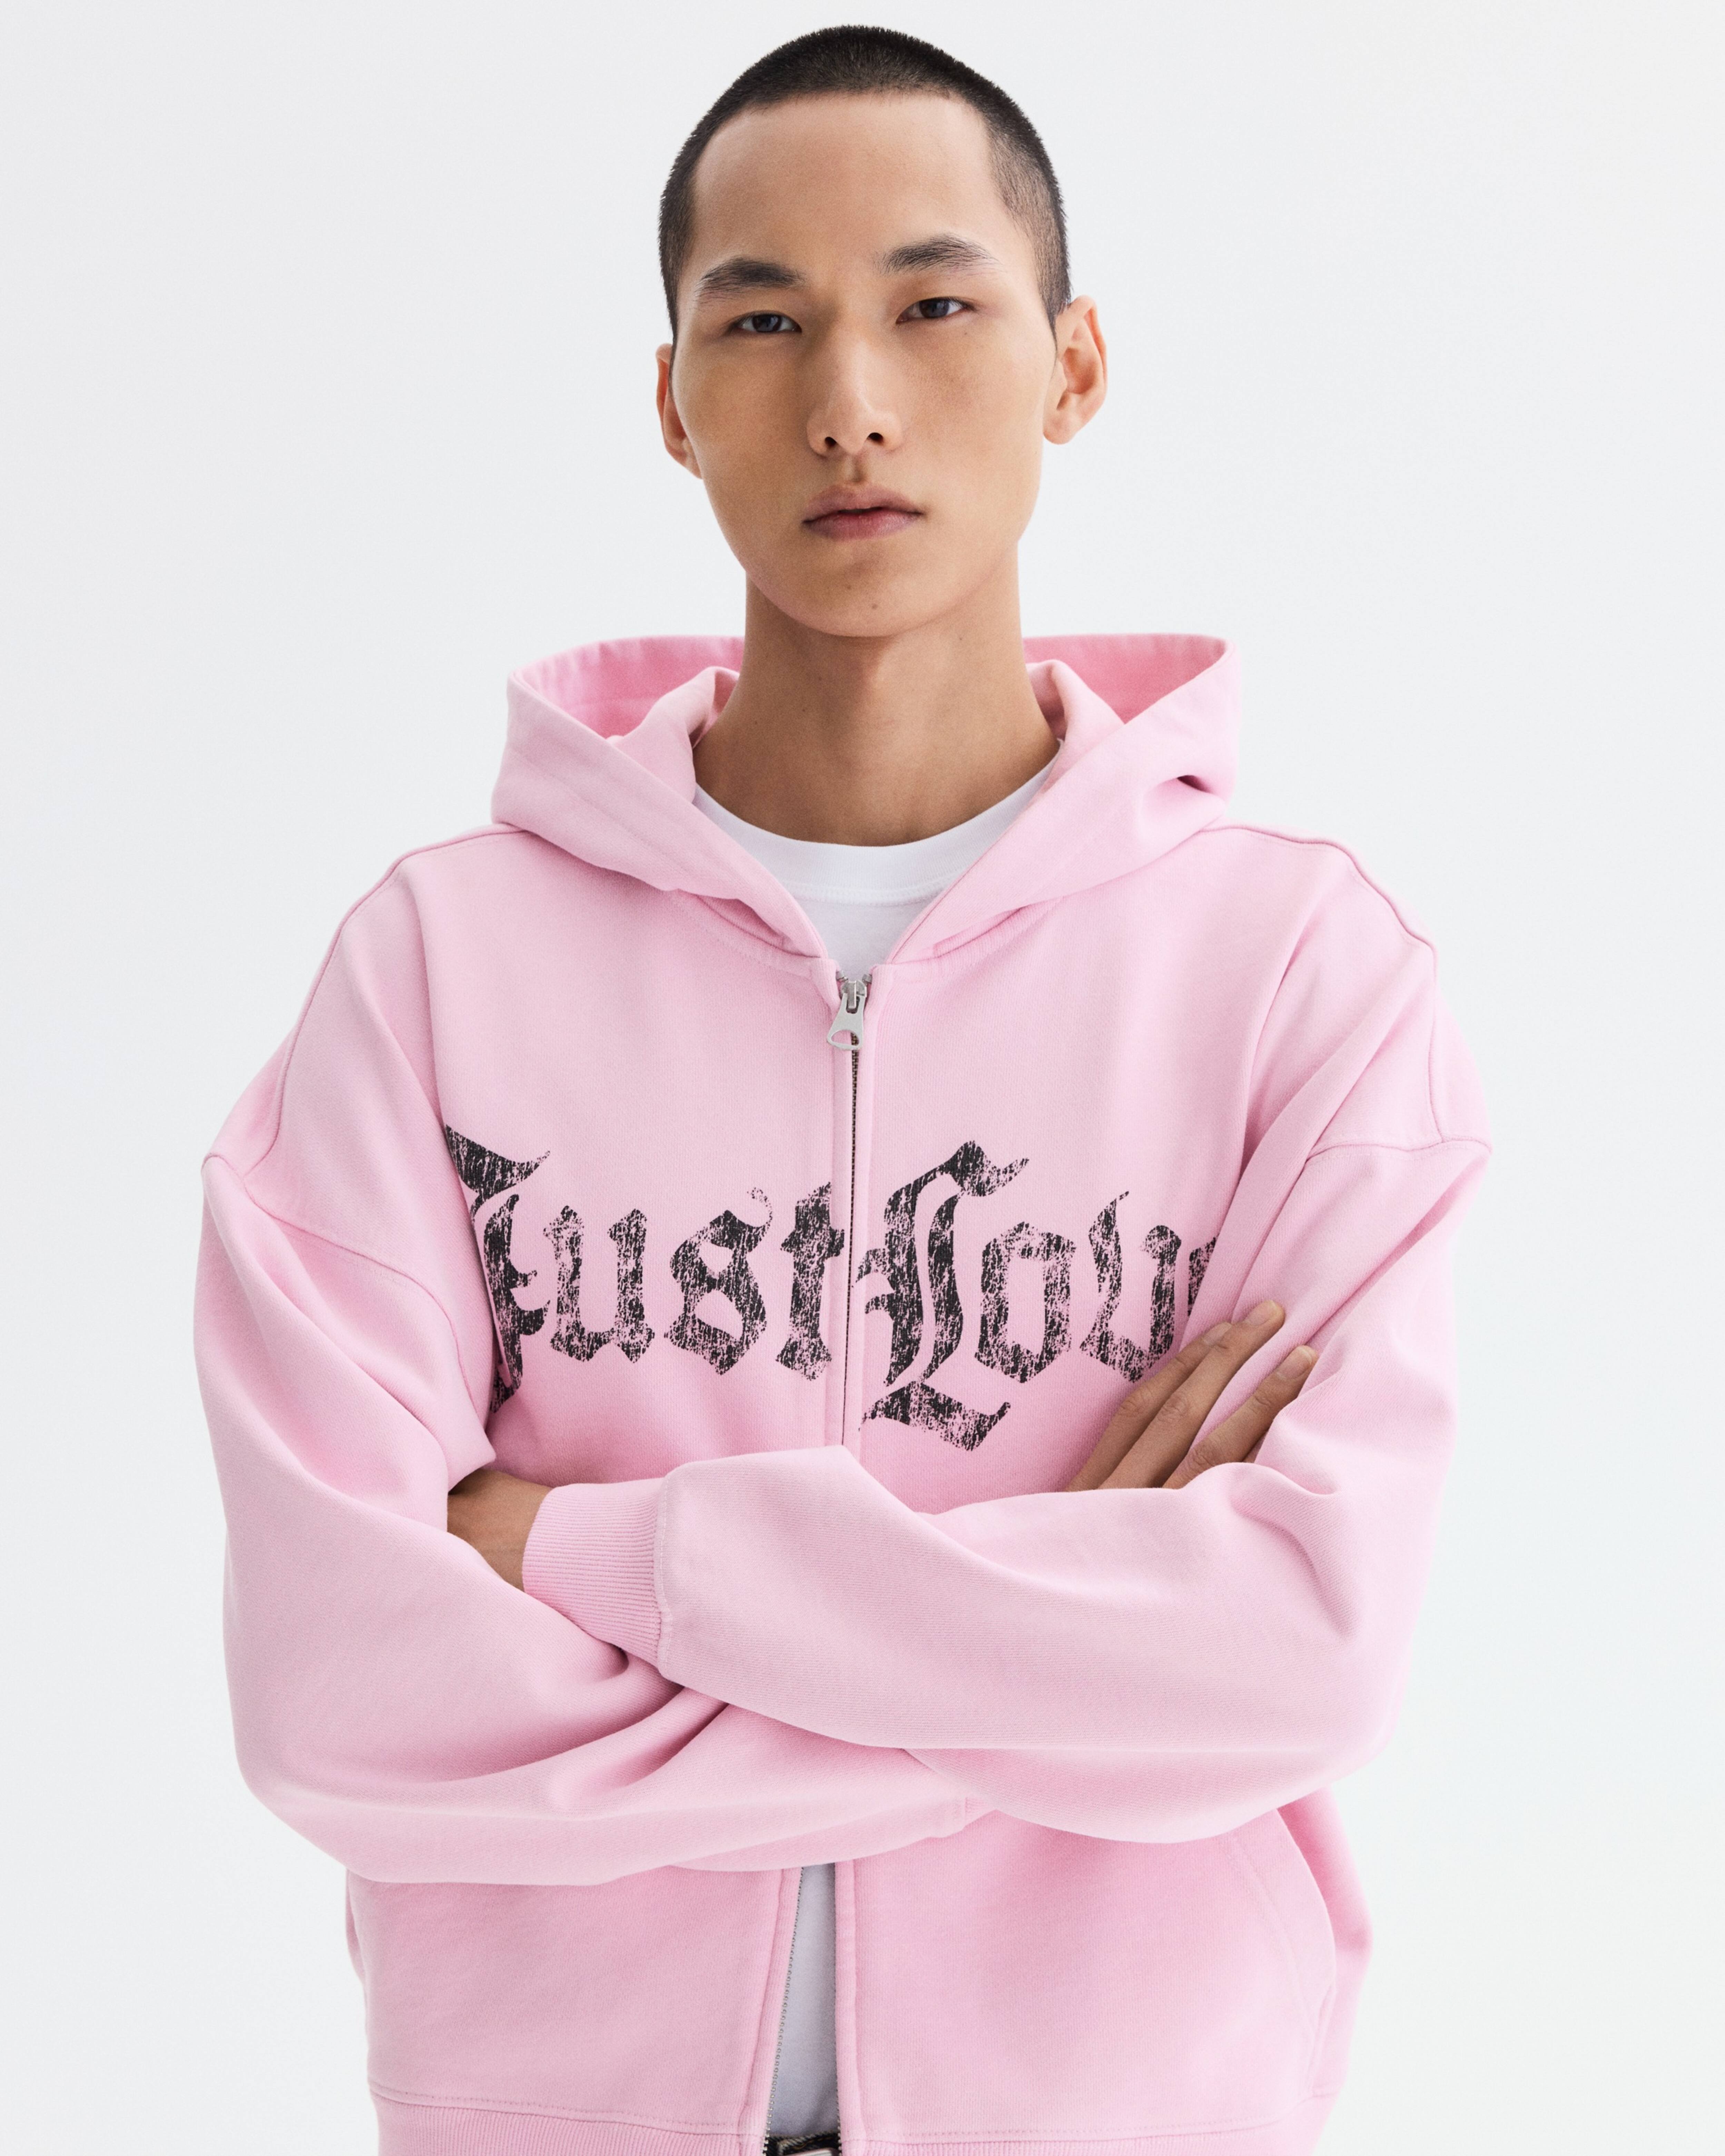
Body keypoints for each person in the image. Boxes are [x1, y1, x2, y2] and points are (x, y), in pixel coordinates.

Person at [194, 26, 1490, 2156]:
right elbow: (339, 1695)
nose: (850, 401)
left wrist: (581, 1553)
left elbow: (1299, 1657)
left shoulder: (1295, 976)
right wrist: (1071, 1674)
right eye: (764, 322)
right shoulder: (436, 972)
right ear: (672, 400)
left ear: (1074, 363)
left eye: (934, 305)